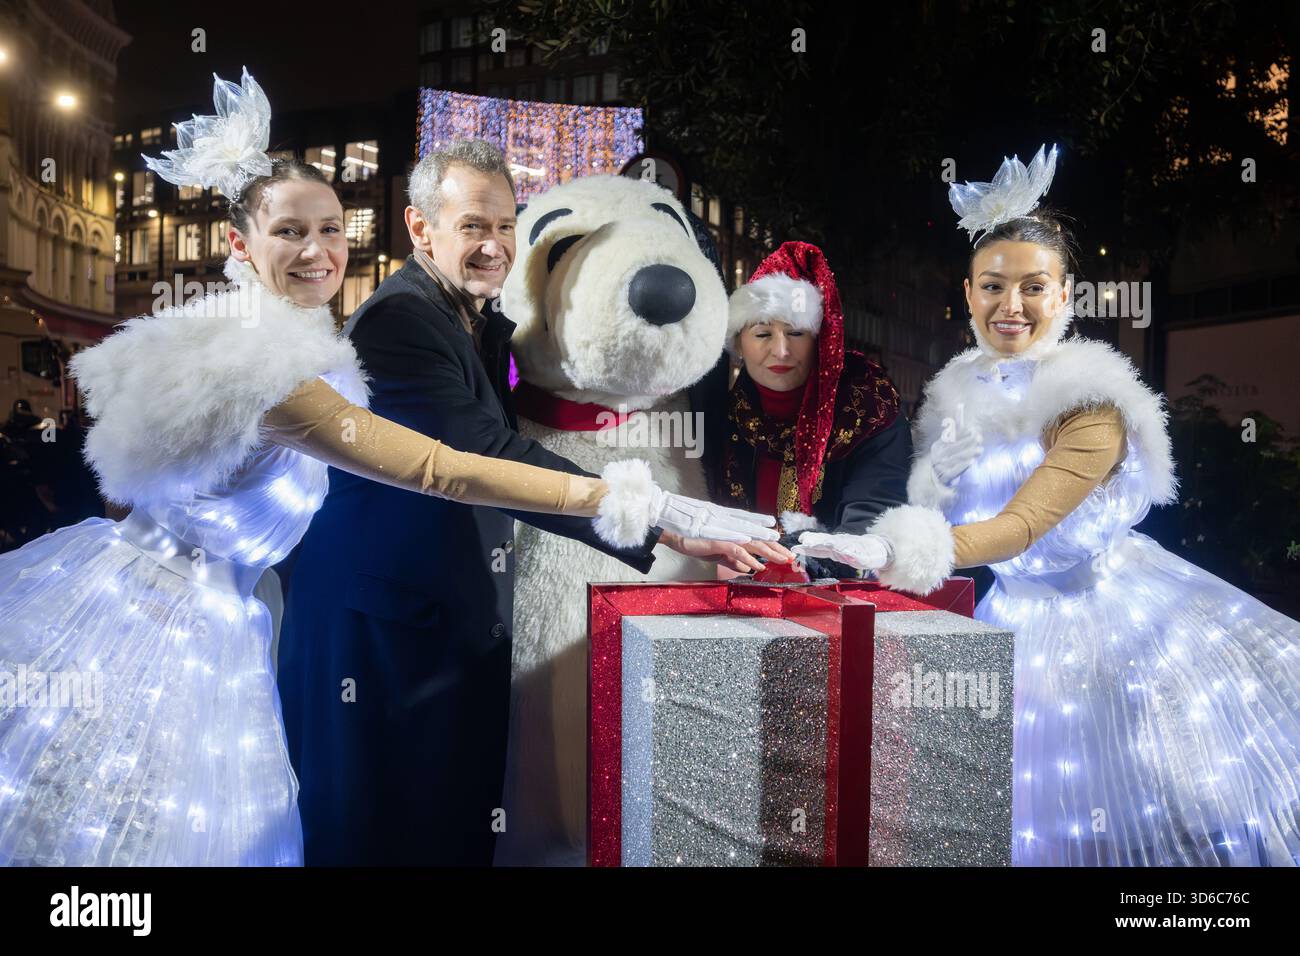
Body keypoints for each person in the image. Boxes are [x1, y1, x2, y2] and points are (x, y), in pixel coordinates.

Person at [0, 70, 774, 867]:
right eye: (291, 234)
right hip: (203, 627)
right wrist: (653, 511)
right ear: (240, 244)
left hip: (258, 619)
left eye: (332, 230)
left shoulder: (366, 332)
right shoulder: (313, 349)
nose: (318, 252)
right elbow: (450, 466)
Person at [277, 140, 779, 865]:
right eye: (473, 225)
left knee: (446, 825)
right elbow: (482, 459)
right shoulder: (400, 324)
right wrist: (652, 514)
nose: (494, 246)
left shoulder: (471, 317)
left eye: (507, 226)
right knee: (380, 830)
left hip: (433, 619)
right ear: (421, 229)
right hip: (384, 630)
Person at [796, 145, 1300, 866]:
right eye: (993, 287)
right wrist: (928, 485)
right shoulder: (954, 391)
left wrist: (893, 548)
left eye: (1034, 287)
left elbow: (1024, 525)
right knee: (1016, 822)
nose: (1011, 307)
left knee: (1151, 819)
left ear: (1065, 296)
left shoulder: (1091, 398)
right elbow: (942, 506)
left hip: (1113, 630)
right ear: (967, 295)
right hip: (1012, 626)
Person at [705, 241, 911, 573]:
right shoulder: (728, 413)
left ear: (821, 340)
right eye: (762, 334)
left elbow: (873, 521)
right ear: (738, 343)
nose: (781, 351)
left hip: (837, 598)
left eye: (796, 332)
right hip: (736, 596)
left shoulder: (868, 405)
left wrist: (781, 565)